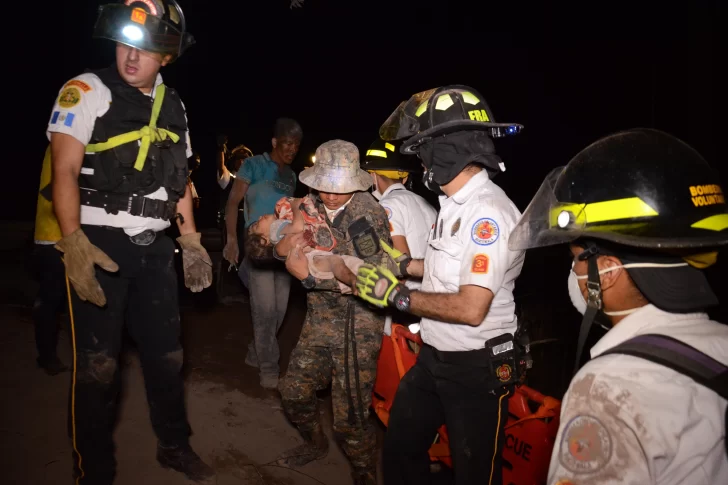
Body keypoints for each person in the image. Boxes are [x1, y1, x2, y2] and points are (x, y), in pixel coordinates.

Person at [47, 1, 214, 482]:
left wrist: (192, 241)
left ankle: (173, 445)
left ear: (166, 56)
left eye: (144, 48)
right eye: (124, 44)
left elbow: (178, 179)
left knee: (168, 358)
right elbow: (63, 171)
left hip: (156, 248)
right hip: (99, 244)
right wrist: (73, 241)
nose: (131, 56)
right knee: (98, 367)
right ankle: (93, 470)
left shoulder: (175, 104)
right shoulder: (87, 90)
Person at [506, 128, 728, 485]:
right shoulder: (720, 344)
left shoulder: (607, 388)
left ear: (606, 272)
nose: (574, 271)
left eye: (577, 259)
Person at [354, 85, 525, 485]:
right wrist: (401, 265)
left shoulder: (489, 214)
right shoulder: (453, 206)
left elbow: (470, 307)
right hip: (435, 357)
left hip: (476, 368)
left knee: (474, 472)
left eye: (423, 151)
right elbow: (445, 267)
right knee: (400, 447)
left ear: (444, 150)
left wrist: (393, 294)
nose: (421, 162)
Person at [277, 140, 392, 485]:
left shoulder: (366, 214)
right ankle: (315, 443)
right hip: (320, 320)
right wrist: (283, 247)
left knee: (350, 419)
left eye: (337, 189)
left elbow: (374, 280)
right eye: (324, 186)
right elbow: (279, 244)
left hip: (358, 326)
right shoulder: (308, 204)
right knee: (293, 391)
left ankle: (364, 474)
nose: (329, 196)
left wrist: (310, 277)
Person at [222, 118, 302, 389]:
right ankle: (269, 368)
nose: (292, 149)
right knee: (264, 309)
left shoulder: (290, 176)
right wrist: (232, 239)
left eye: (296, 144)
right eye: (288, 143)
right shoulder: (253, 165)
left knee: (279, 310)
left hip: (283, 248)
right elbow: (233, 203)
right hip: (257, 245)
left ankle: (256, 352)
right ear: (275, 142)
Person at [361, 136, 437, 334]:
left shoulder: (387, 206)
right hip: (431, 300)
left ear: (373, 177)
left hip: (404, 305)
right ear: (403, 177)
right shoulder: (425, 203)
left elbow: (399, 260)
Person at [32, 146, 69, 376]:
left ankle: (47, 356)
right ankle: (46, 357)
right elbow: (53, 190)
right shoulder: (66, 140)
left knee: (54, 301)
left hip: (61, 236)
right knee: (51, 300)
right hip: (55, 237)